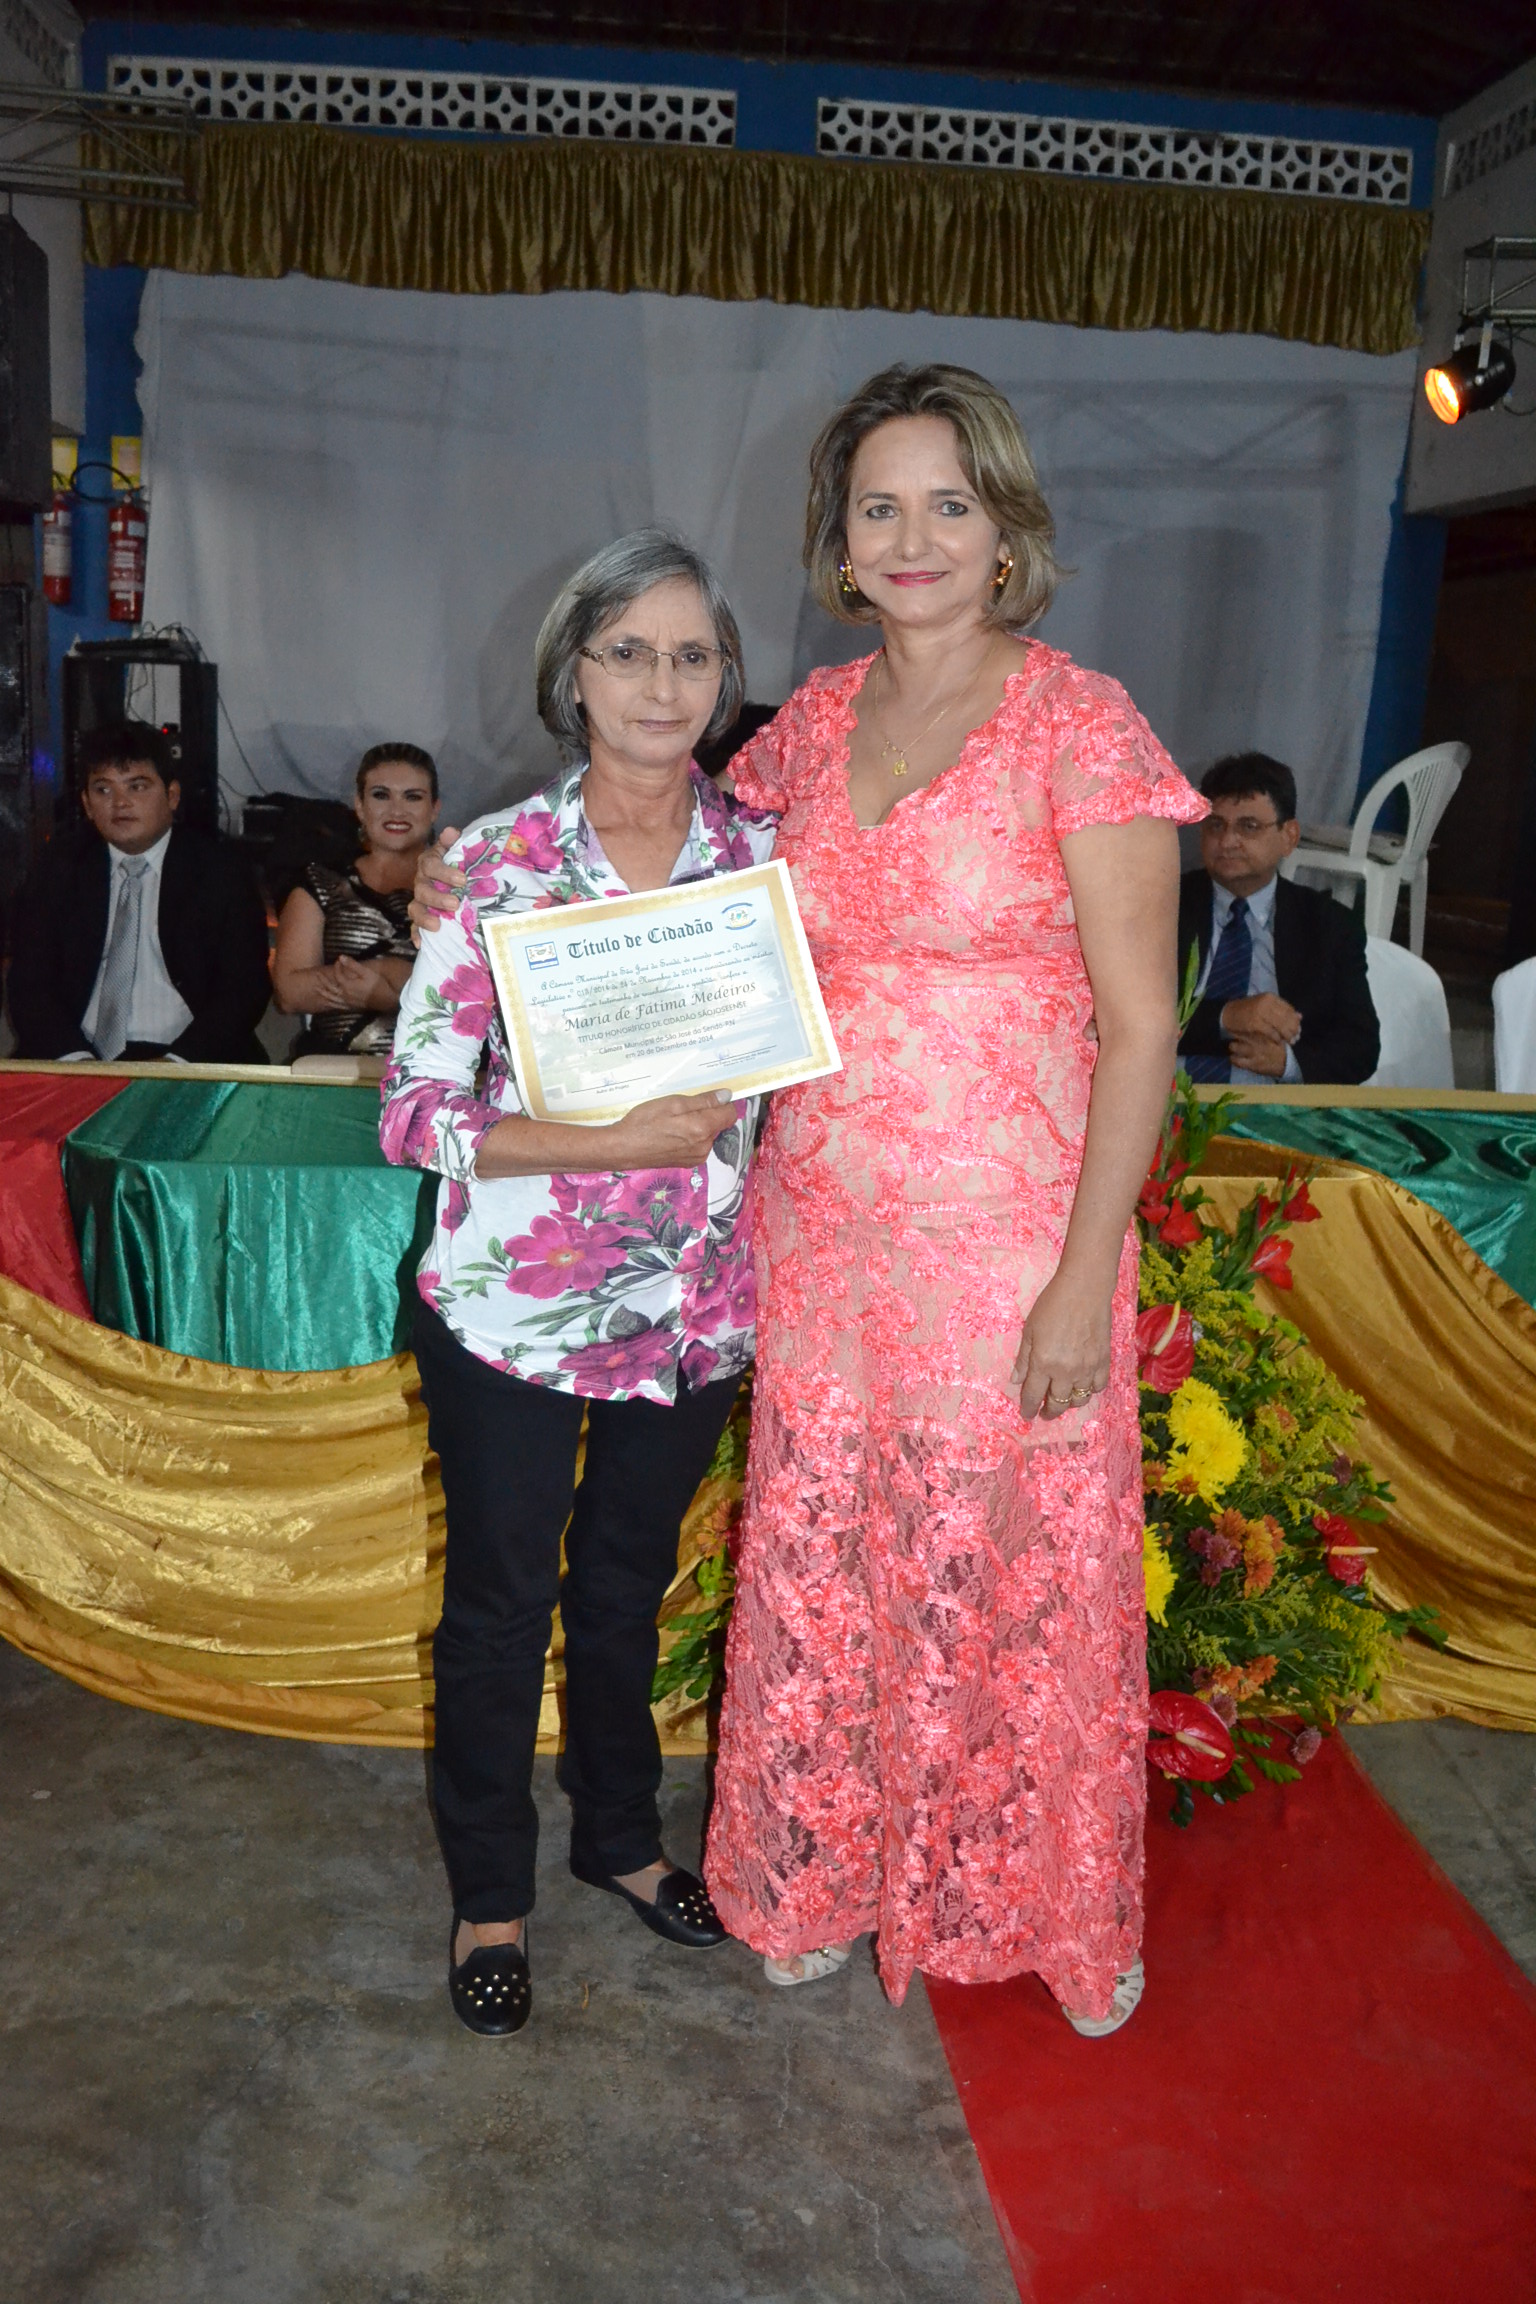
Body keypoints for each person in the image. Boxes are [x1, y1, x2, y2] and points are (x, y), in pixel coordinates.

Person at [414, 367, 1202, 2037]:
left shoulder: (1083, 724)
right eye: (878, 507)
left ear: (1006, 530)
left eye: (949, 504)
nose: (913, 538)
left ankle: (1040, 1898)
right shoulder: (809, 731)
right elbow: (665, 867)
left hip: (1007, 1243)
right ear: (838, 545)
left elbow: (1144, 1026)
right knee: (828, 1567)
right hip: (814, 1235)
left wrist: (1087, 1278)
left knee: (1006, 1574)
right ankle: (822, 1870)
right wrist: (456, 878)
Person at [380, 530, 776, 2038]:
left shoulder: (769, 861)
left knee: (624, 1586)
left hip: (696, 1309)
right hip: (515, 1314)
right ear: (574, 673)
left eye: (691, 655)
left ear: (725, 678)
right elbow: (416, 1112)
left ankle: (619, 1837)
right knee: (500, 1603)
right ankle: (491, 1893)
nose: (661, 685)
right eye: (628, 652)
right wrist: (603, 1140)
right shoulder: (493, 864)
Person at [8, 722, 270, 1064]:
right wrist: (78, 1062)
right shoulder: (59, 867)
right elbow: (29, 984)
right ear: (87, 804)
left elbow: (244, 989)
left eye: (137, 786)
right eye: (103, 790)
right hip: (76, 1054)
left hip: (191, 1058)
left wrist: (176, 1065)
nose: (120, 803)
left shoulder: (220, 870)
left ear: (172, 796)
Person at [1177, 752, 1380, 1085]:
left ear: (1289, 836)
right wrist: (1228, 1016)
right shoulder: (1165, 905)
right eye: (1215, 825)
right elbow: (1122, 1016)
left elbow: (1361, 1047)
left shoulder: (1329, 926)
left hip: (1271, 1101)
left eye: (1249, 827)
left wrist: (1288, 1063)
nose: (1227, 841)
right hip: (1165, 1094)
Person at [271, 743, 437, 1056]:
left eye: (413, 797)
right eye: (381, 795)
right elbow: (289, 993)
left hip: (437, 1069)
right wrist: (399, 980)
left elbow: (483, 996)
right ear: (359, 805)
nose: (397, 810)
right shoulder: (320, 882)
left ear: (434, 809)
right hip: (333, 1069)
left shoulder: (462, 887)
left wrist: (388, 993)